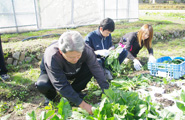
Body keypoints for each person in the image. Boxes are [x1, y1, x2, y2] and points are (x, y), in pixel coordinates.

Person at [35, 31, 109, 114]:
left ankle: (75, 91)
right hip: (53, 74)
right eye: (71, 57)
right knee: (42, 85)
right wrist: (84, 105)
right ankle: (51, 97)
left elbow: (97, 70)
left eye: (78, 56)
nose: (75, 59)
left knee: (95, 65)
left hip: (75, 70)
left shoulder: (86, 50)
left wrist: (107, 91)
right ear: (61, 51)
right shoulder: (52, 56)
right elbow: (60, 83)